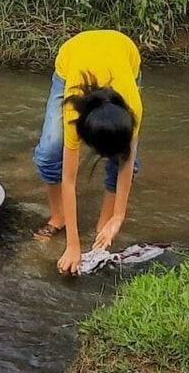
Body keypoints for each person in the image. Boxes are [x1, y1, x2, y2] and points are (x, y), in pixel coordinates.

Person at [32, 28, 142, 275]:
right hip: (72, 58)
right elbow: (69, 180)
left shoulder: (132, 111)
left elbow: (126, 161)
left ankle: (103, 222)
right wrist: (73, 245)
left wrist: (118, 218)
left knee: (122, 164)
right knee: (50, 152)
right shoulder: (74, 117)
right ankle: (58, 216)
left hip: (124, 55)